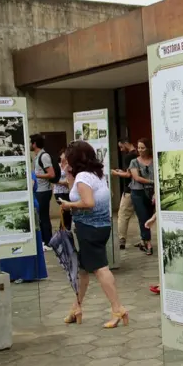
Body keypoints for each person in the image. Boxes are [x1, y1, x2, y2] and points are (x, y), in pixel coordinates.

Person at [58, 141, 128, 328]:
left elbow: (87, 202)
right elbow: (81, 192)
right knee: (82, 270)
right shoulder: (96, 174)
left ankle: (117, 308)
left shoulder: (83, 177)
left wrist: (68, 205)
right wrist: (68, 173)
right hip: (101, 226)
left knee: (100, 269)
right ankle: (76, 307)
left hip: (89, 229)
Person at [0, 171, 48, 283]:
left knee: (27, 240)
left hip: (26, 206)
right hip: (8, 206)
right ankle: (11, 272)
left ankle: (27, 273)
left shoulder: (27, 171)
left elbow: (29, 187)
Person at [129, 138, 155, 255]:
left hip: (151, 193)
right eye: (138, 147)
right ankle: (148, 244)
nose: (140, 150)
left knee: (150, 217)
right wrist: (152, 181)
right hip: (138, 192)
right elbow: (136, 177)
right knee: (143, 217)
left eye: (142, 148)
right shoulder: (134, 162)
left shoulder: (154, 160)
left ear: (148, 148)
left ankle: (144, 240)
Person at [111, 139, 138, 249]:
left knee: (122, 214)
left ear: (126, 143)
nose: (121, 150)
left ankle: (121, 239)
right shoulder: (138, 154)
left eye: (121, 147)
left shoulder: (128, 157)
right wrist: (122, 172)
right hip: (140, 189)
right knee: (141, 215)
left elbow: (129, 175)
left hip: (129, 189)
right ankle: (144, 239)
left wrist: (116, 173)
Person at [30, 134, 54, 249]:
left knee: (43, 217)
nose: (30, 144)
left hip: (44, 191)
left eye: (31, 142)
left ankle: (48, 242)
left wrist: (35, 175)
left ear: (34, 144)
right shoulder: (37, 156)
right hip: (40, 190)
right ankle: (45, 241)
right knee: (41, 217)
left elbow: (51, 174)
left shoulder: (44, 156)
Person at [54, 149, 72, 231]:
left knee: (68, 212)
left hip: (68, 191)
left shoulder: (69, 165)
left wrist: (66, 183)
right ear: (60, 155)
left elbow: (71, 179)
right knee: (64, 210)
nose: (65, 155)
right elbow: (53, 179)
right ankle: (63, 230)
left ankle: (66, 229)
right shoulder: (56, 166)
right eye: (63, 153)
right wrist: (63, 182)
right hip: (58, 192)